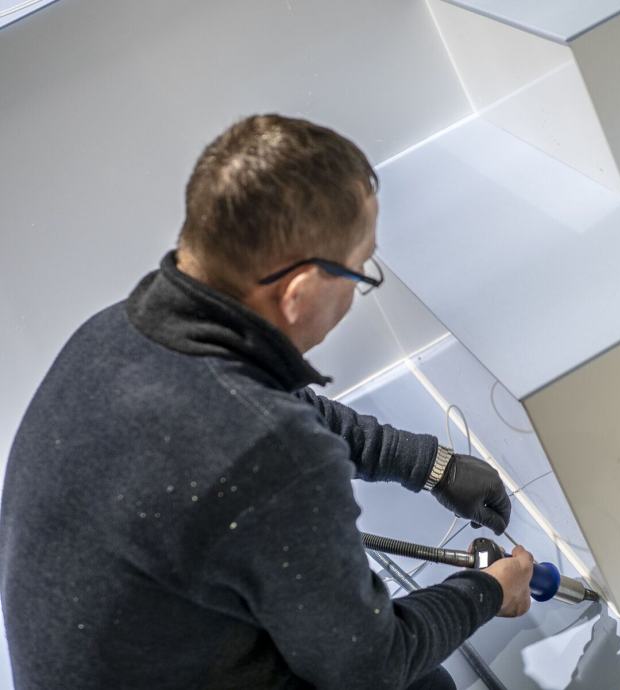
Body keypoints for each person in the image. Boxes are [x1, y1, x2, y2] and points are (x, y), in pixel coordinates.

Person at [0, 114, 535, 689]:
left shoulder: (119, 331)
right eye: (360, 271)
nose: (359, 285)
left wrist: (428, 464)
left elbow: (273, 399)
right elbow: (371, 667)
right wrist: (488, 592)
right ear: (299, 292)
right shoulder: (271, 453)